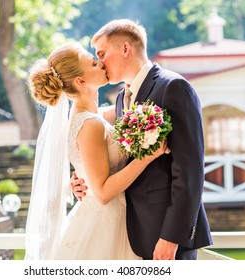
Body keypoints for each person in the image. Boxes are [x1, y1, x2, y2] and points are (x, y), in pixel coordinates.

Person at [71, 19, 213, 260]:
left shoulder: (174, 87)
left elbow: (190, 171)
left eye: (102, 53)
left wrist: (172, 236)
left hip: (166, 238)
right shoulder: (120, 99)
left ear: (125, 48)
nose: (101, 63)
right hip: (129, 234)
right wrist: (83, 179)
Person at [24, 42, 168, 260]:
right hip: (106, 221)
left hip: (112, 216)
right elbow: (102, 193)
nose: (101, 63)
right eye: (93, 63)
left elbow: (124, 110)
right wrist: (146, 158)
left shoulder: (92, 116)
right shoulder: (90, 124)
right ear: (81, 81)